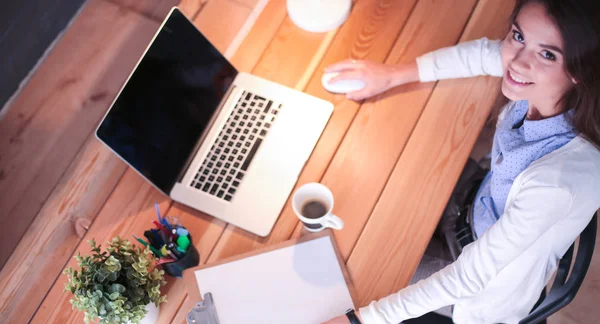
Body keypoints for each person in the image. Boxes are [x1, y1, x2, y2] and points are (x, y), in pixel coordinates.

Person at [323, 0, 600, 323]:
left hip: (476, 286)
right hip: (472, 205)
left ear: (582, 68)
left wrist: (358, 321)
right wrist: (393, 74)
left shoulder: (558, 182)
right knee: (369, 187)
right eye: (519, 36)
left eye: (547, 54)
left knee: (351, 271)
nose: (517, 61)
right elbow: (485, 54)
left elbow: (467, 277)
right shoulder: (545, 84)